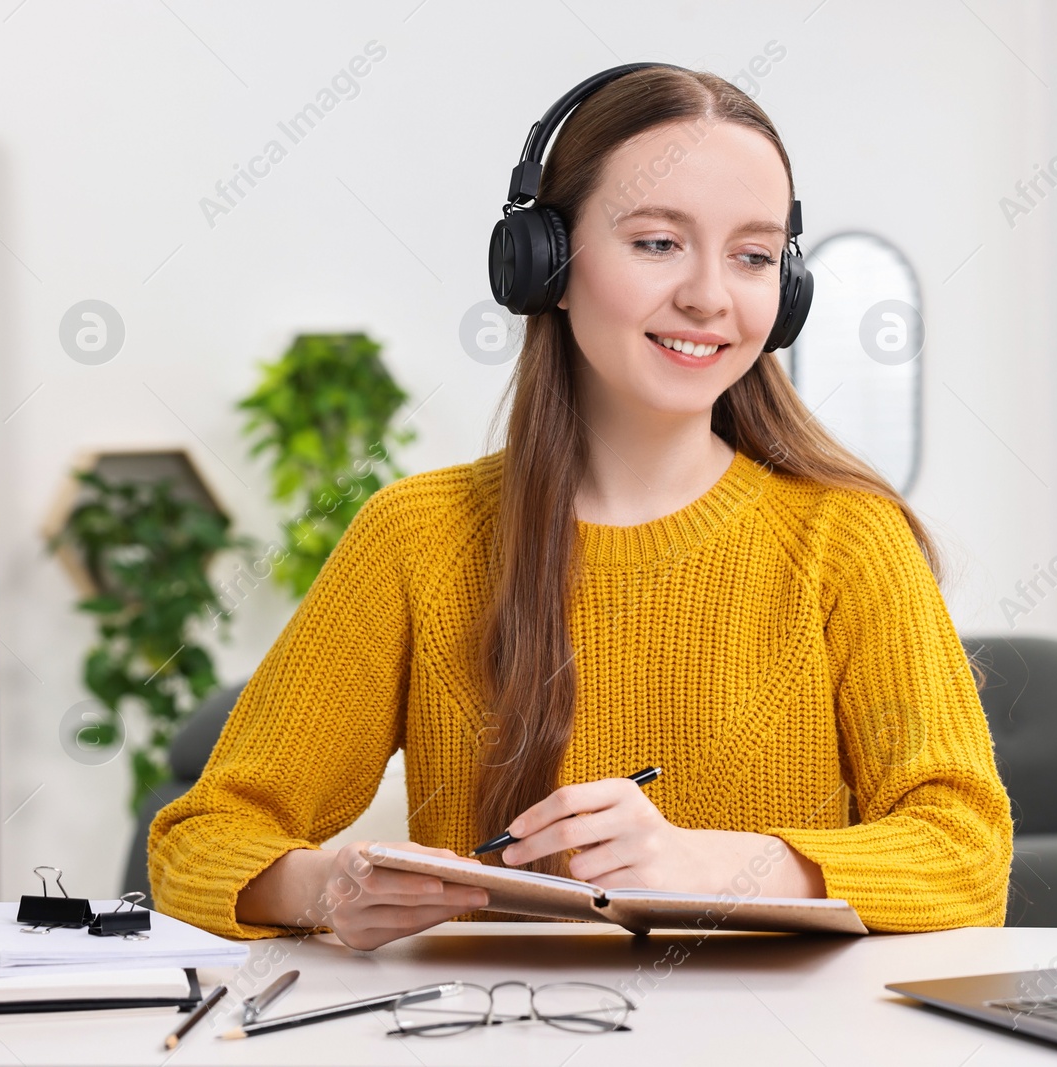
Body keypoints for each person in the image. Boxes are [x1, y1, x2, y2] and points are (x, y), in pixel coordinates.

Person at [148, 66, 1012, 951]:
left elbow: (966, 853)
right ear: (545, 265)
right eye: (657, 243)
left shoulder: (846, 538)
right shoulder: (416, 538)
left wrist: (712, 866)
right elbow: (201, 839)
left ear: (785, 293)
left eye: (752, 256)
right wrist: (328, 886)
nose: (711, 296)